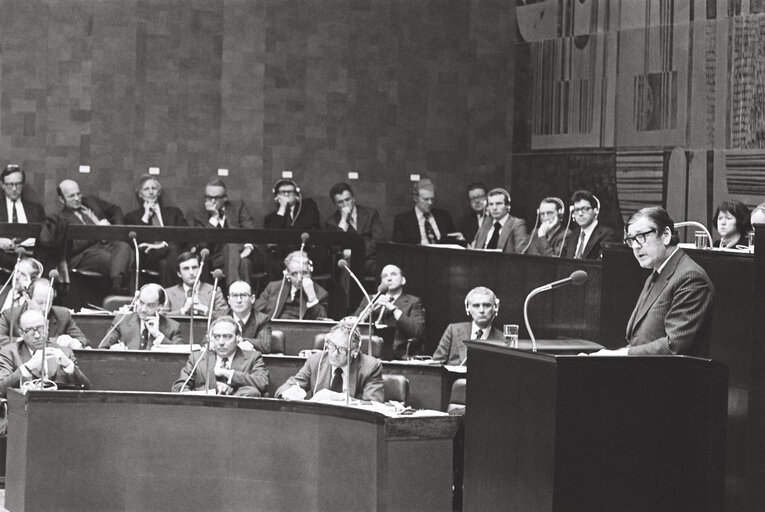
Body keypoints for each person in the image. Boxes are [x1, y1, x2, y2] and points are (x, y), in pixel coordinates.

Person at [589, 207, 714, 356]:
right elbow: (639, 339)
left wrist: (621, 354)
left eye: (641, 236)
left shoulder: (691, 278)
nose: (635, 246)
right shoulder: (657, 272)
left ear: (666, 235)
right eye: (631, 240)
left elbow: (673, 346)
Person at [52, 179, 133, 294]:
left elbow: (116, 210)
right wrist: (97, 231)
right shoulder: (60, 218)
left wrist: (116, 230)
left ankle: (116, 285)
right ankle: (117, 287)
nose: (77, 198)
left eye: (78, 194)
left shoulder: (91, 201)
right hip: (85, 253)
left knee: (125, 247)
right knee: (113, 259)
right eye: (71, 196)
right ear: (61, 199)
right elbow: (74, 246)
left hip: (109, 244)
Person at [275, 318, 384, 402]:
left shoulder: (371, 367)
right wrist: (289, 393)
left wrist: (340, 398)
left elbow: (374, 405)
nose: (334, 353)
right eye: (332, 346)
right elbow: (284, 388)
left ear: (354, 352)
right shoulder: (315, 361)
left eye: (341, 349)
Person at [0, 309, 91, 396]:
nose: (37, 335)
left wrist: (68, 366)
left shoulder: (64, 352)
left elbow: (86, 389)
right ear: (21, 333)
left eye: (41, 328)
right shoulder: (9, 352)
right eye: (30, 331)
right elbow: (1, 390)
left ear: (47, 326)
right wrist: (27, 367)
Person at [171, 316, 269, 396]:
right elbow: (179, 387)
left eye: (227, 337)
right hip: (202, 411)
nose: (221, 342)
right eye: (217, 337)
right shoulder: (197, 358)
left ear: (238, 338)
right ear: (210, 338)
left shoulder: (253, 358)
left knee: (251, 392)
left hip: (236, 414)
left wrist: (227, 374)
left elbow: (262, 382)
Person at [188, 178, 255, 287]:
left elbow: (249, 229)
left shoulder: (238, 206)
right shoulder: (199, 214)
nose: (212, 201)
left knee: (244, 263)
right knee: (231, 247)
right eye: (209, 197)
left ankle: (237, 296)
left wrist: (248, 247)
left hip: (240, 253)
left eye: (216, 198)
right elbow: (202, 244)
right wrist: (214, 219)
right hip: (215, 257)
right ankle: (236, 292)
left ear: (225, 198)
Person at [124, 175, 188, 287]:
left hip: (172, 254)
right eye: (146, 189)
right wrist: (145, 218)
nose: (151, 192)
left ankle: (169, 297)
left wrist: (163, 245)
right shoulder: (132, 217)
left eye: (154, 188)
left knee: (165, 263)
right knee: (171, 251)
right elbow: (137, 244)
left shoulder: (174, 212)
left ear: (158, 192)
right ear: (140, 194)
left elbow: (184, 236)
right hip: (149, 256)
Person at [354, 264, 425, 359]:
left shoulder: (413, 302)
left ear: (403, 280)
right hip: (365, 352)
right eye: (385, 276)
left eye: (393, 274)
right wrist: (367, 311)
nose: (389, 279)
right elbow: (351, 327)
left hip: (397, 355)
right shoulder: (369, 299)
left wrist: (394, 310)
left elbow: (418, 331)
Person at [0, 278, 89, 348]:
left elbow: (83, 340)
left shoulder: (62, 315)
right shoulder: (10, 315)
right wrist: (23, 341)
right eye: (40, 303)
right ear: (27, 298)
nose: (44, 308)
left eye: (49, 303)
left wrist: (73, 342)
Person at [98, 283, 184, 350]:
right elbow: (102, 350)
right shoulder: (121, 321)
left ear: (160, 306)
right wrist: (113, 351)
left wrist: (158, 335)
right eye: (141, 302)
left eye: (150, 305)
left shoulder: (173, 327)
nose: (143, 309)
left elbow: (180, 357)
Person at [324, 182, 385, 275]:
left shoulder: (371, 213)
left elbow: (379, 240)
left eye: (347, 199)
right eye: (340, 202)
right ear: (335, 204)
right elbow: (335, 247)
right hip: (347, 263)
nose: (345, 204)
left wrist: (356, 251)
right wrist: (343, 220)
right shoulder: (331, 222)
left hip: (370, 260)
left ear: (353, 198)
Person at [431, 286, 502, 365]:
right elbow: (436, 365)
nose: (481, 310)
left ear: (495, 308)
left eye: (487, 305)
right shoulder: (453, 330)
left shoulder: (502, 339)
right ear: (468, 308)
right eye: (476, 305)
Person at [253, 251, 329, 320]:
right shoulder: (273, 287)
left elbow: (322, 324)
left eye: (304, 273)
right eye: (294, 274)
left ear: (310, 272)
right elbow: (255, 312)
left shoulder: (321, 293)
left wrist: (312, 297)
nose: (299, 279)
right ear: (287, 274)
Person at [0, 165, 47, 268]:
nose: (14, 188)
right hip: (3, 255)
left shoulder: (36, 209)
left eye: (18, 184)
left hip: (31, 255)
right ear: (2, 185)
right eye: (10, 184)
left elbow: (45, 236)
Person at [392, 179, 458, 245]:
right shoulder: (403, 221)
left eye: (432, 199)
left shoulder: (444, 216)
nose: (430, 203)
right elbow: (399, 250)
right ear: (415, 198)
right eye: (426, 199)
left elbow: (455, 241)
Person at [164, 251, 227, 317]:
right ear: (179, 274)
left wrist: (205, 310)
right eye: (186, 269)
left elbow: (224, 316)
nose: (191, 272)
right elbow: (162, 318)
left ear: (200, 270)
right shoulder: (168, 293)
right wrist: (183, 310)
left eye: (194, 267)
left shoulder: (214, 291)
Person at [561, 190, 619, 260]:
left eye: (585, 209)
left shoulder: (607, 234)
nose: (580, 214)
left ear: (596, 211)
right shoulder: (573, 234)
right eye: (577, 210)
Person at [472, 188, 529, 253]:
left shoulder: (517, 224)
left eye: (498, 204)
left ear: (507, 206)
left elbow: (520, 253)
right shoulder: (486, 222)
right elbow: (476, 250)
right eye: (491, 204)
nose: (494, 208)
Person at [226, 280, 272, 354]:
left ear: (252, 299)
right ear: (228, 300)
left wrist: (238, 340)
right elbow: (207, 342)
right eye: (234, 295)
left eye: (243, 295)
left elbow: (264, 345)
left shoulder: (262, 319)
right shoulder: (220, 318)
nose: (238, 300)